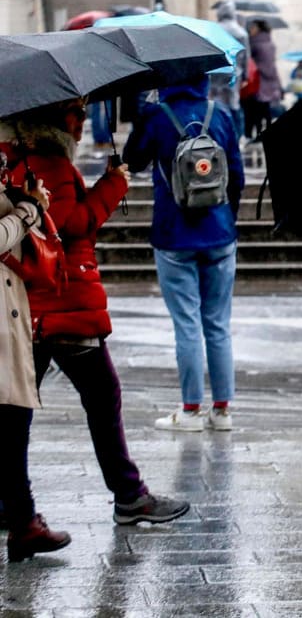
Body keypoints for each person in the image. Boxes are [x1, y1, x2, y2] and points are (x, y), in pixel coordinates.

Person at [7, 99, 190, 525]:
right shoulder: (49, 162)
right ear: (54, 119)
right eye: (76, 112)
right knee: (102, 397)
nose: (83, 120)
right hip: (65, 303)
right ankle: (129, 495)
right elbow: (70, 225)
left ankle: (13, 504)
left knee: (16, 408)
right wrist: (112, 186)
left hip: (39, 306)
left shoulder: (26, 159)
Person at [123, 77, 245, 430]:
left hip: (173, 234)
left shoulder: (157, 115)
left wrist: (141, 113)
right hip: (220, 232)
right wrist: (227, 219)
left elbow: (132, 161)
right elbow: (235, 173)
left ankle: (190, 410)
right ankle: (222, 410)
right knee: (218, 324)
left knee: (187, 325)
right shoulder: (219, 114)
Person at [0, 166, 70, 561]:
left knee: (13, 419)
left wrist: (26, 198)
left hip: (8, 313)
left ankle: (23, 521)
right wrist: (27, 210)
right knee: (11, 419)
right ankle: (23, 522)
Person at [211, 0, 250, 140]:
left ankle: (218, 133)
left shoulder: (213, 30)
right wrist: (246, 75)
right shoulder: (241, 32)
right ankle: (237, 136)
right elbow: (246, 56)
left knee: (215, 103)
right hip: (235, 73)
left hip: (216, 72)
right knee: (234, 103)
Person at [242, 19, 283, 140]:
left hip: (259, 79)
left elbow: (248, 58)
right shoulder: (271, 43)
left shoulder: (254, 43)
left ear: (258, 28)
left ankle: (258, 133)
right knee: (266, 108)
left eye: (253, 27)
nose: (251, 30)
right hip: (271, 77)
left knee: (257, 109)